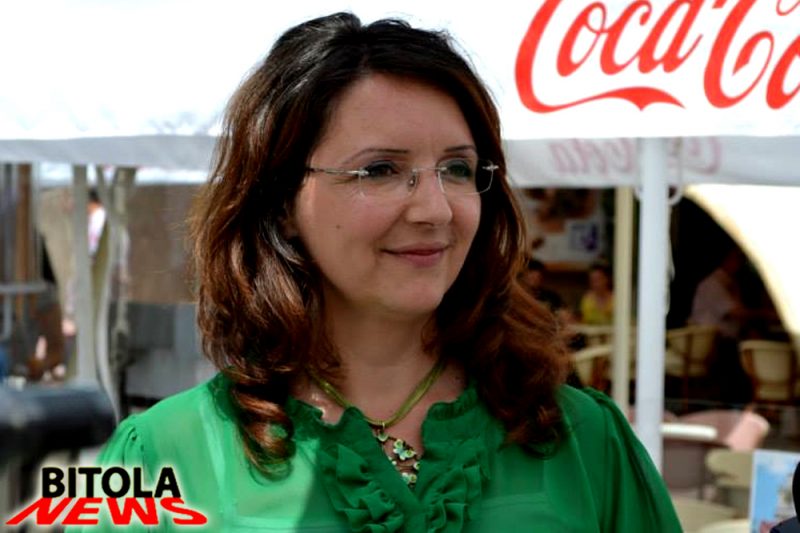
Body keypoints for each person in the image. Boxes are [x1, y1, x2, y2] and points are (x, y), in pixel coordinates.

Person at [76, 13, 680, 531]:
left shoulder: (584, 439)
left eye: (458, 169)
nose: (435, 210)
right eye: (381, 170)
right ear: (282, 203)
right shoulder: (165, 453)